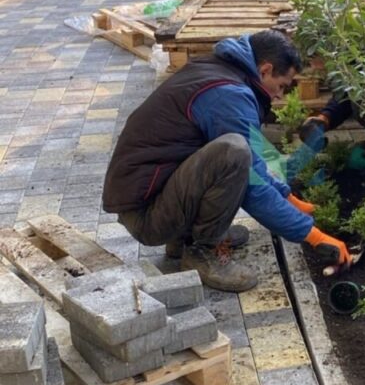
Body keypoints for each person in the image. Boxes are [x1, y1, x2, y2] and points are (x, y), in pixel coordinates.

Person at [102, 30, 351, 292]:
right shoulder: (229, 94)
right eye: (282, 86)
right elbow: (252, 186)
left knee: (239, 152)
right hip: (147, 217)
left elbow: (256, 164)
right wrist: (313, 236)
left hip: (154, 198)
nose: (279, 96)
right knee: (233, 153)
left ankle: (184, 237)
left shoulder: (222, 71)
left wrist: (290, 200)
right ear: (265, 70)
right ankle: (203, 249)